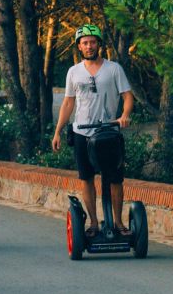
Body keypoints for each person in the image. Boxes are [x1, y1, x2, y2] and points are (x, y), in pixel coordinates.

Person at [52, 24, 134, 237]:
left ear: (99, 44)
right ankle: (95, 224)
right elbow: (68, 103)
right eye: (85, 43)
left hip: (109, 132)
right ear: (79, 46)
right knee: (86, 178)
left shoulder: (114, 68)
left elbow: (127, 96)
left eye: (92, 42)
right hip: (82, 132)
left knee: (115, 179)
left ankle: (118, 222)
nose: (89, 46)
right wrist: (58, 131)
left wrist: (124, 116)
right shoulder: (74, 72)